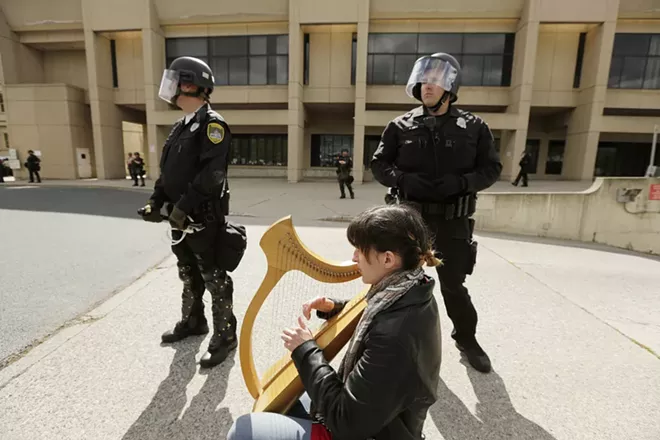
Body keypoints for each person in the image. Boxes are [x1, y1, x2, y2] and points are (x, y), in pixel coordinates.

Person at [228, 204, 443, 440]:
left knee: (242, 431)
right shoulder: (411, 287)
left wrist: (306, 350)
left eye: (360, 250)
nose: (353, 258)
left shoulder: (394, 335)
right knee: (288, 399)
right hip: (381, 417)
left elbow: (346, 422)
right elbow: (375, 311)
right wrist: (335, 307)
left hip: (373, 432)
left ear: (388, 259)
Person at [370, 52, 502, 373]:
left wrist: (462, 182)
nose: (427, 85)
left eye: (434, 79)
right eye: (423, 79)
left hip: (453, 221)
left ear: (449, 86)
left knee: (453, 286)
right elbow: (378, 164)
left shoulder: (473, 127)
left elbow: (492, 168)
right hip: (410, 222)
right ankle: (398, 343)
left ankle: (467, 338)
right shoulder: (400, 126)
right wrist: (402, 179)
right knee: (402, 284)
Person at [138, 56, 237, 368]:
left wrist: (182, 208)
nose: (171, 89)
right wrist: (156, 201)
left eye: (177, 83)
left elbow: (212, 176)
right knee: (187, 274)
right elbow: (168, 173)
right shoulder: (180, 127)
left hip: (202, 218)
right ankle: (194, 322)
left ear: (192, 85)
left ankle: (225, 335)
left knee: (214, 278)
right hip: (180, 220)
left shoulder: (212, 126)